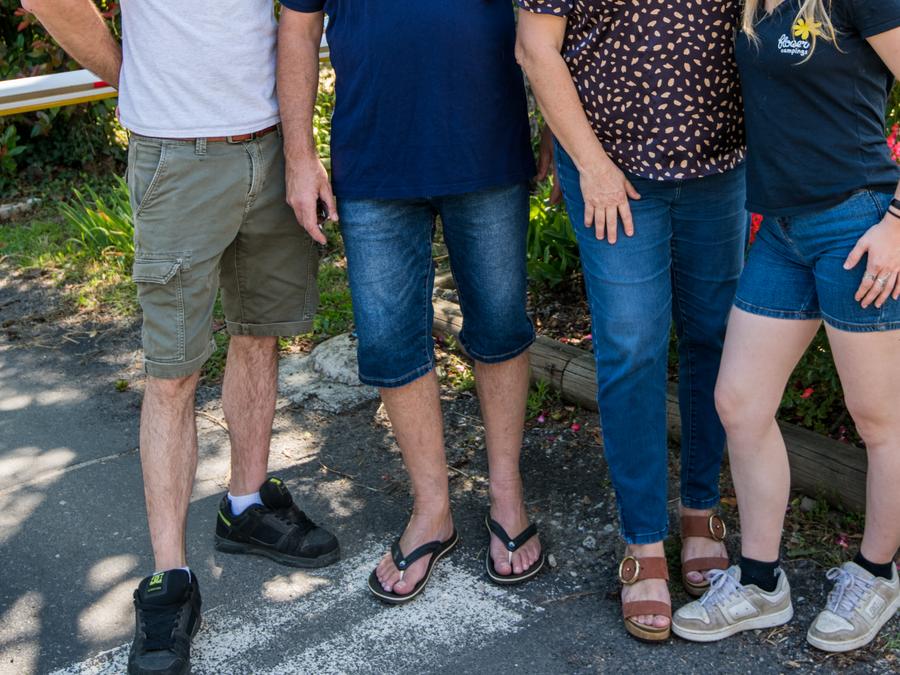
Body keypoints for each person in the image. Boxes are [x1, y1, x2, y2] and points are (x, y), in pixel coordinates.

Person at [20, 1, 340, 672]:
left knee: (259, 334)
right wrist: (128, 73)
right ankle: (171, 578)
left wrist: (300, 146)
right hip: (176, 155)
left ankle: (246, 505)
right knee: (173, 372)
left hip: (274, 142)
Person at [277, 1, 545, 603]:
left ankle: (507, 495)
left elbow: (548, 12)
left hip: (486, 144)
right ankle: (432, 510)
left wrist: (555, 123)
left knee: (501, 325)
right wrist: (299, 155)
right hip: (373, 156)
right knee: (389, 340)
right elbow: (298, 26)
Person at [673, 0, 900, 653]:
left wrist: (897, 224)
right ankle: (760, 582)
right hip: (783, 230)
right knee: (738, 403)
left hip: (857, 222)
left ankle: (877, 573)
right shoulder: (753, 4)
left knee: (878, 418)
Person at [516, 1, 747, 641]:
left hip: (719, 167)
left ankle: (700, 506)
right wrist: (592, 166)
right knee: (632, 346)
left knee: (714, 337)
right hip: (611, 168)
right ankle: (643, 537)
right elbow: (535, 47)